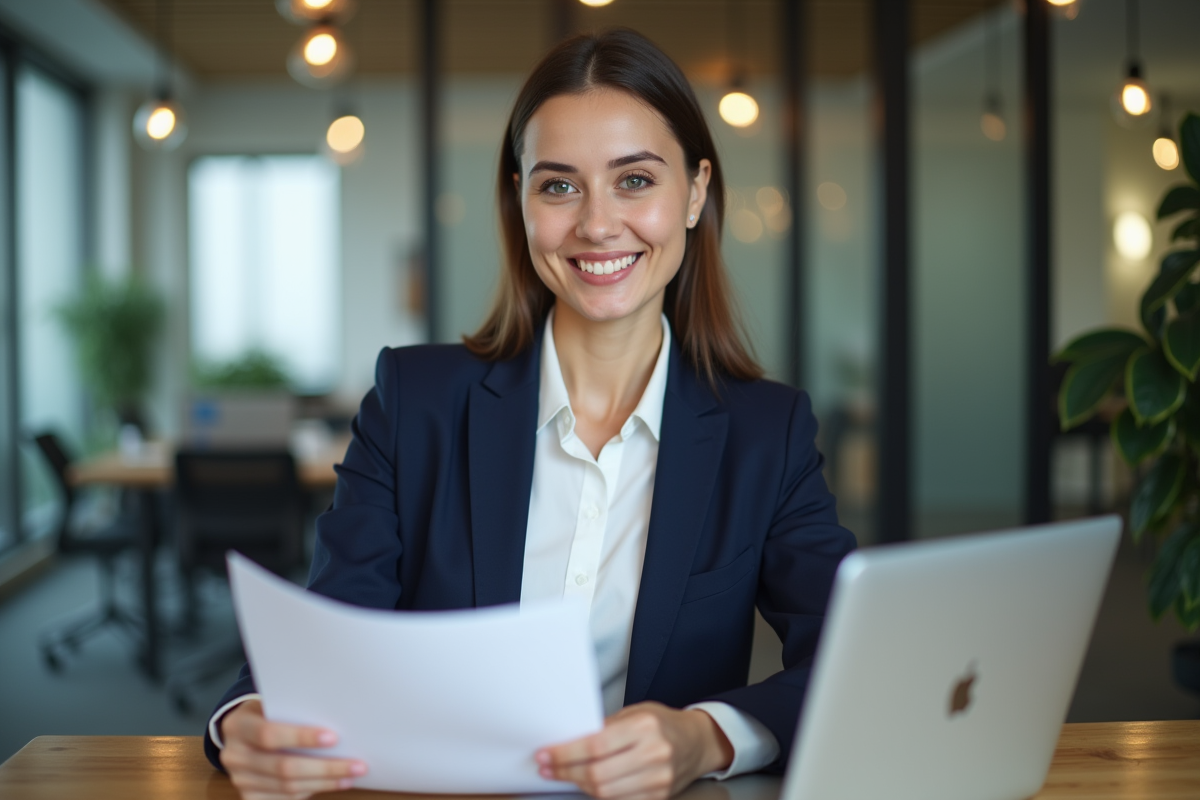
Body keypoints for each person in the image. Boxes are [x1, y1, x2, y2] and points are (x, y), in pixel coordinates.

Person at [204, 27, 855, 800]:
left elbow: (848, 658)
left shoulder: (764, 435)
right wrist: (245, 718)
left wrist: (704, 736)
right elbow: (328, 640)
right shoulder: (415, 405)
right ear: (520, 201)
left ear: (697, 193)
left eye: (636, 180)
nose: (596, 224)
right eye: (558, 186)